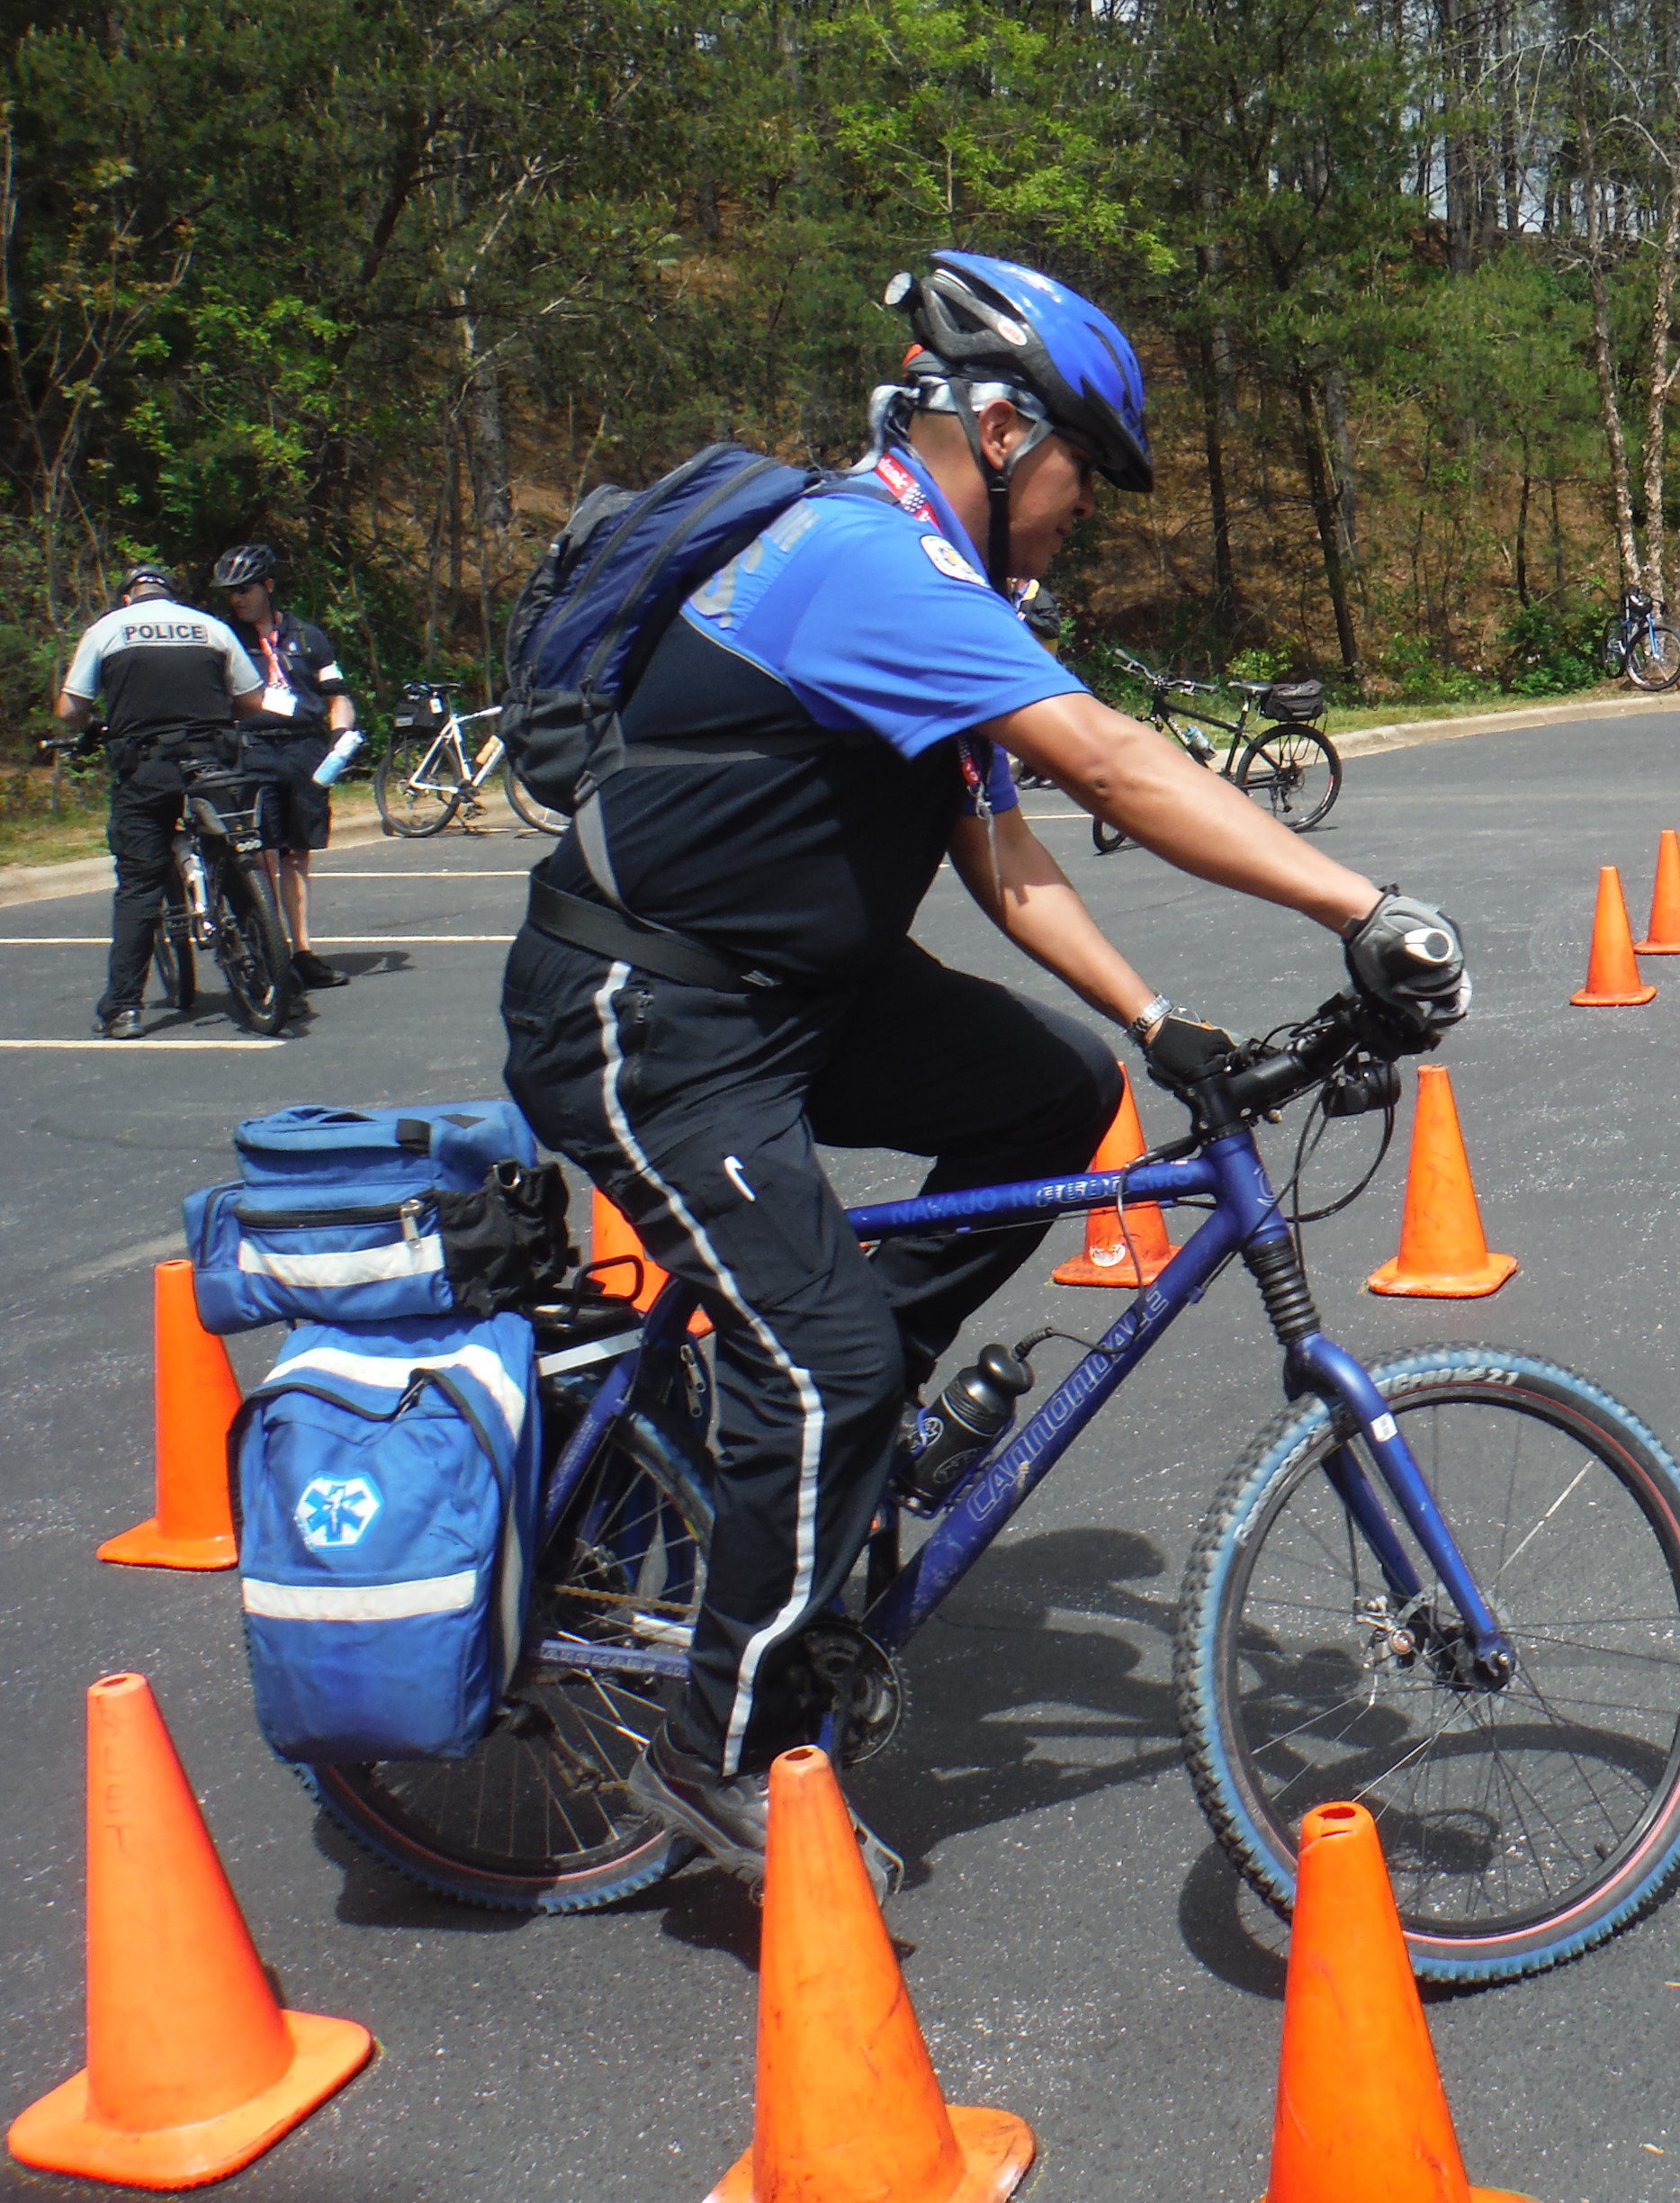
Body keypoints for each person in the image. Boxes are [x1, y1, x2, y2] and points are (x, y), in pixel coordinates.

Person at [499, 250, 1467, 1884]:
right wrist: (1360, 904)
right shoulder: (863, 563)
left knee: (1042, 1091)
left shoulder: (926, 581)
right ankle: (719, 1746)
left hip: (789, 997)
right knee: (820, 1365)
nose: (1086, 510)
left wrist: (1161, 1027)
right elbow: (1101, 754)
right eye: (1084, 474)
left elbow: (1000, 849)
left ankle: (832, 1429)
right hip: (647, 1016)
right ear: (1004, 429)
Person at [58, 565, 283, 1039]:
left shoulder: (106, 630)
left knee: (139, 884)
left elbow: (70, 708)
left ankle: (123, 1009)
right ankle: (273, 974)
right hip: (212, 762)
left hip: (146, 770)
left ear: (126, 599)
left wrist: (95, 728)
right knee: (232, 853)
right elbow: (252, 700)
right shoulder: (211, 627)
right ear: (173, 596)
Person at [214, 544, 356, 994]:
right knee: (262, 854)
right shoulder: (223, 638)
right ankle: (269, 949)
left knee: (297, 853)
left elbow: (337, 695)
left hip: (304, 748)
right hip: (253, 748)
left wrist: (339, 737)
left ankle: (301, 951)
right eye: (230, 592)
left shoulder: (308, 636)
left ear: (268, 587)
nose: (237, 598)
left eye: (245, 589)